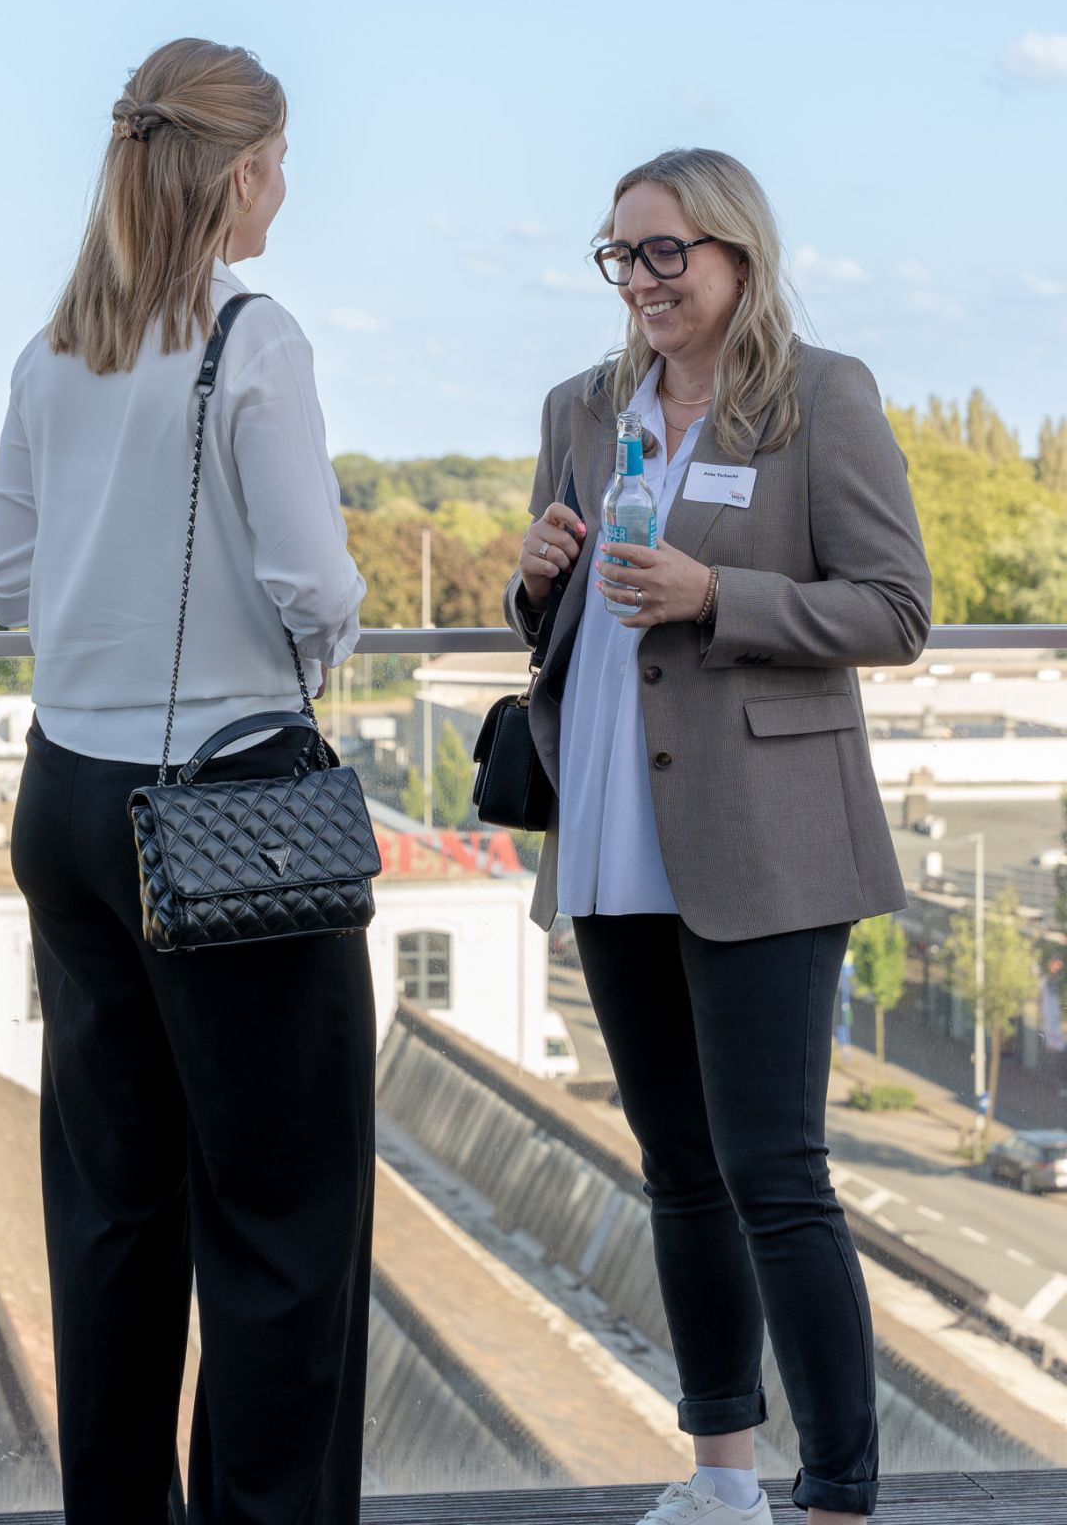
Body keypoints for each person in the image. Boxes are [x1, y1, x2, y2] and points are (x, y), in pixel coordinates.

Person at [504, 148, 931, 1524]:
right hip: (611, 827)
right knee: (679, 1172)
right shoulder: (581, 410)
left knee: (774, 1175)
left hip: (766, 839)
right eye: (621, 255)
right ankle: (722, 1481)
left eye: (665, 251)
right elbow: (562, 628)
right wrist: (537, 583)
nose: (640, 280)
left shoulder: (820, 398)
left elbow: (894, 610)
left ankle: (839, 1493)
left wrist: (717, 594)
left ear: (739, 252)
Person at [0, 37, 373, 1525]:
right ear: (241, 170)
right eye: (280, 161)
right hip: (228, 809)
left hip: (67, 800)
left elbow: (10, 581)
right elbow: (315, 586)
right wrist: (299, 644)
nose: (285, 187)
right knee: (282, 1217)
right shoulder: (250, 340)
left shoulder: (52, 351)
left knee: (110, 1207)